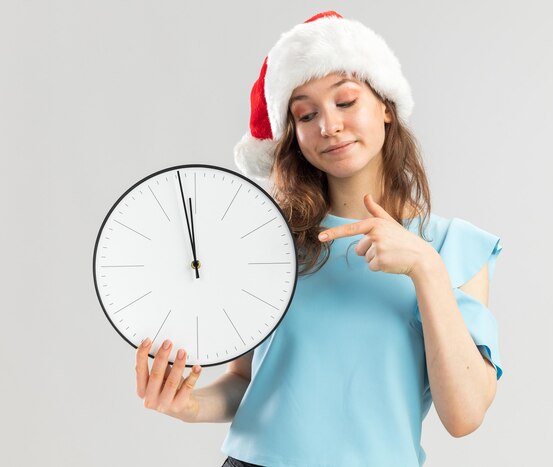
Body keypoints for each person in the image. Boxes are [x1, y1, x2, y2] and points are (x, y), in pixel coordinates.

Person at [135, 11, 504, 467]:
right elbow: (246, 383)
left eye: (345, 102)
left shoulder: (454, 247)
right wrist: (187, 406)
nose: (328, 125)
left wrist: (425, 267)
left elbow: (464, 416)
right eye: (307, 114)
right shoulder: (270, 241)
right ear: (296, 134)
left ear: (386, 107)